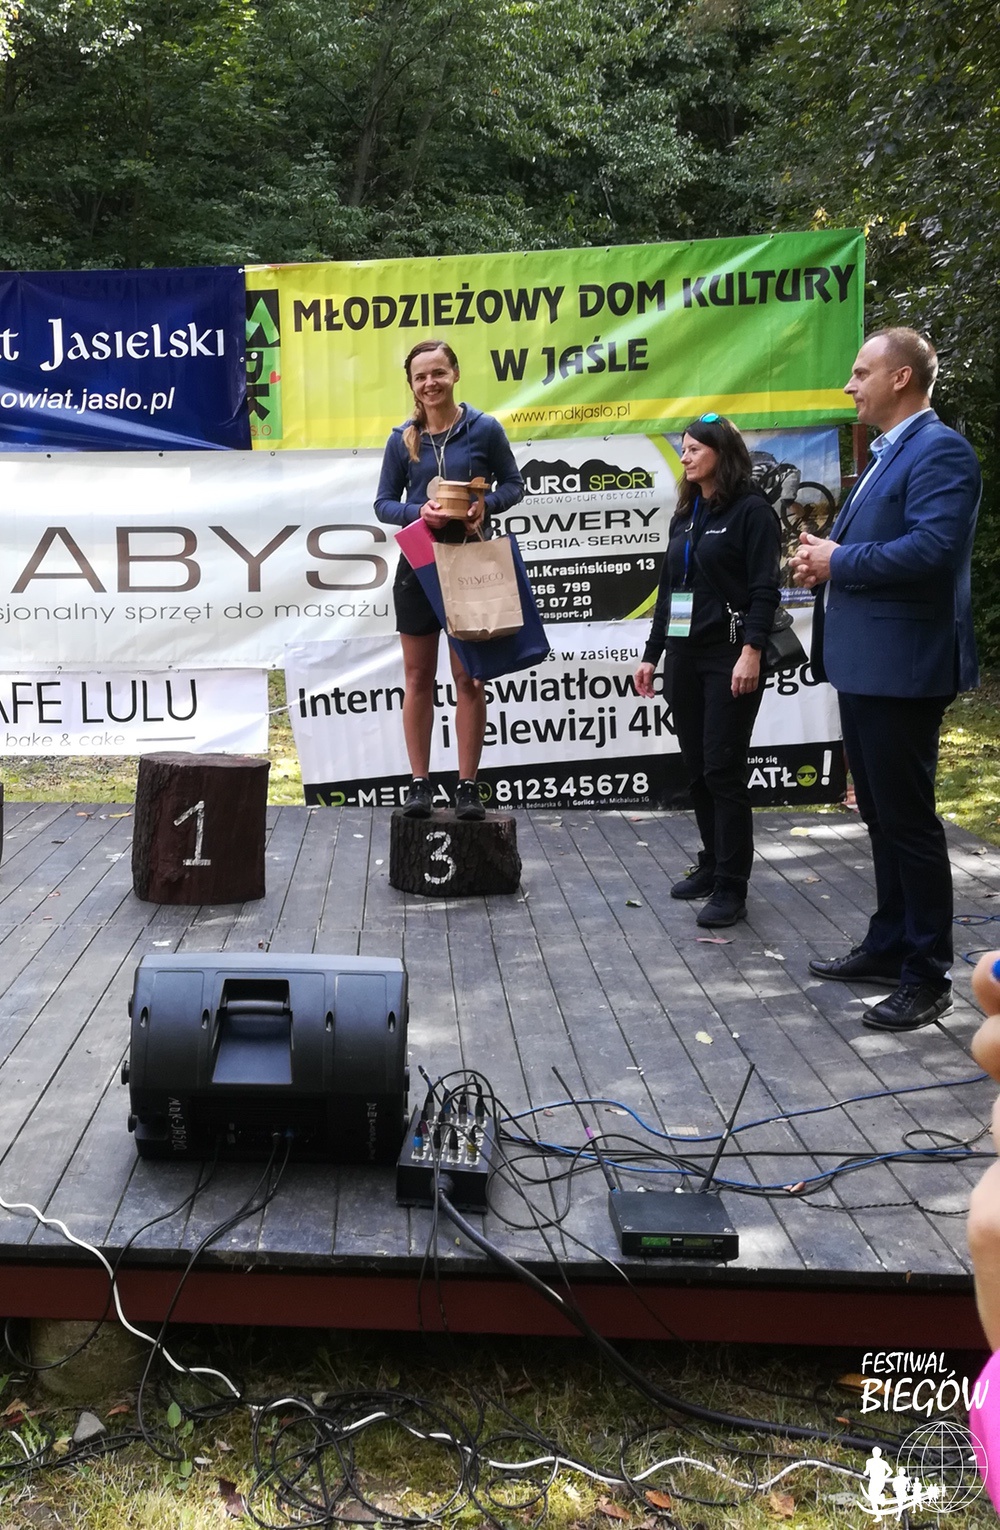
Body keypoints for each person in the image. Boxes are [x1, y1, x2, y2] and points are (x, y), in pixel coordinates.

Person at [792, 328, 981, 1032]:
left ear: (901, 378)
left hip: (904, 668)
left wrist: (838, 560)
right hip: (868, 665)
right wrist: (825, 559)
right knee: (880, 815)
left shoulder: (940, 451)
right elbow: (876, 547)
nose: (850, 385)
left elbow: (933, 549)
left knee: (908, 822)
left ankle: (927, 975)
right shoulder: (885, 454)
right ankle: (889, 943)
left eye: (861, 372)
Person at [634, 414, 780, 928]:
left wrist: (752, 651)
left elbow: (764, 589)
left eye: (696, 448)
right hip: (685, 658)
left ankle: (732, 887)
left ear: (723, 453)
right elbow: (671, 592)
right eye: (683, 448)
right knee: (697, 768)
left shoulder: (752, 511)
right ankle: (713, 863)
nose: (686, 456)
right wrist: (653, 654)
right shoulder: (687, 512)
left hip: (730, 656)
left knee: (723, 770)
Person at [374, 339, 524, 820]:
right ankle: (419, 784)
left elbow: (514, 485)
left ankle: (467, 788)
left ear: (455, 373)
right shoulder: (401, 439)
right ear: (411, 384)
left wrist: (486, 505)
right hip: (419, 566)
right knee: (418, 678)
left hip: (472, 564)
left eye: (438, 373)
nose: (430, 383)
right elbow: (383, 504)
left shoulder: (484, 428)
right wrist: (418, 512)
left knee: (470, 678)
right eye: (420, 377)